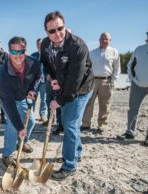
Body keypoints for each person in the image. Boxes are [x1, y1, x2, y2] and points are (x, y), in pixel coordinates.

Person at [40, 11, 94, 180]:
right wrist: (52, 77)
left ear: (65, 25)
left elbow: (74, 83)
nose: (57, 34)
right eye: (52, 31)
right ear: (46, 32)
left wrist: (59, 101)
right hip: (63, 84)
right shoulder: (45, 44)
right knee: (71, 122)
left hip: (81, 88)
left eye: (60, 28)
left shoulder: (77, 46)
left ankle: (69, 165)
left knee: (69, 124)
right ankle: (76, 152)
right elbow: (46, 63)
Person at [117, 22, 148, 147]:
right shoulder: (139, 49)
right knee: (133, 109)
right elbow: (130, 65)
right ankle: (130, 132)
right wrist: (132, 79)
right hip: (137, 84)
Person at [0, 36, 41, 167]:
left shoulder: (34, 63)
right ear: (9, 53)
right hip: (6, 97)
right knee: (13, 123)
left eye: (21, 51)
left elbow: (38, 76)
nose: (18, 55)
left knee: (31, 121)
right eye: (14, 52)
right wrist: (20, 127)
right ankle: (7, 154)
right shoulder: (3, 72)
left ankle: (22, 141)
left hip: (23, 96)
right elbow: (9, 105)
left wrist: (32, 89)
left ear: (26, 51)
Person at [81, 32, 120, 133]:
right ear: (99, 40)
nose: (104, 41)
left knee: (105, 104)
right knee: (89, 103)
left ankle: (102, 125)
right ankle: (85, 124)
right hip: (93, 81)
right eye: (102, 39)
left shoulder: (114, 52)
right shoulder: (92, 52)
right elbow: (87, 67)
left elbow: (117, 68)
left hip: (106, 81)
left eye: (106, 39)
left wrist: (114, 81)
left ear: (110, 40)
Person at [31, 38, 48, 123]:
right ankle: (31, 115)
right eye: (38, 44)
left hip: (44, 81)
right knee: (33, 98)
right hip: (35, 81)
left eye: (40, 44)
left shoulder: (47, 54)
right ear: (36, 45)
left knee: (43, 99)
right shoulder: (33, 55)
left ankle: (43, 115)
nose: (39, 45)